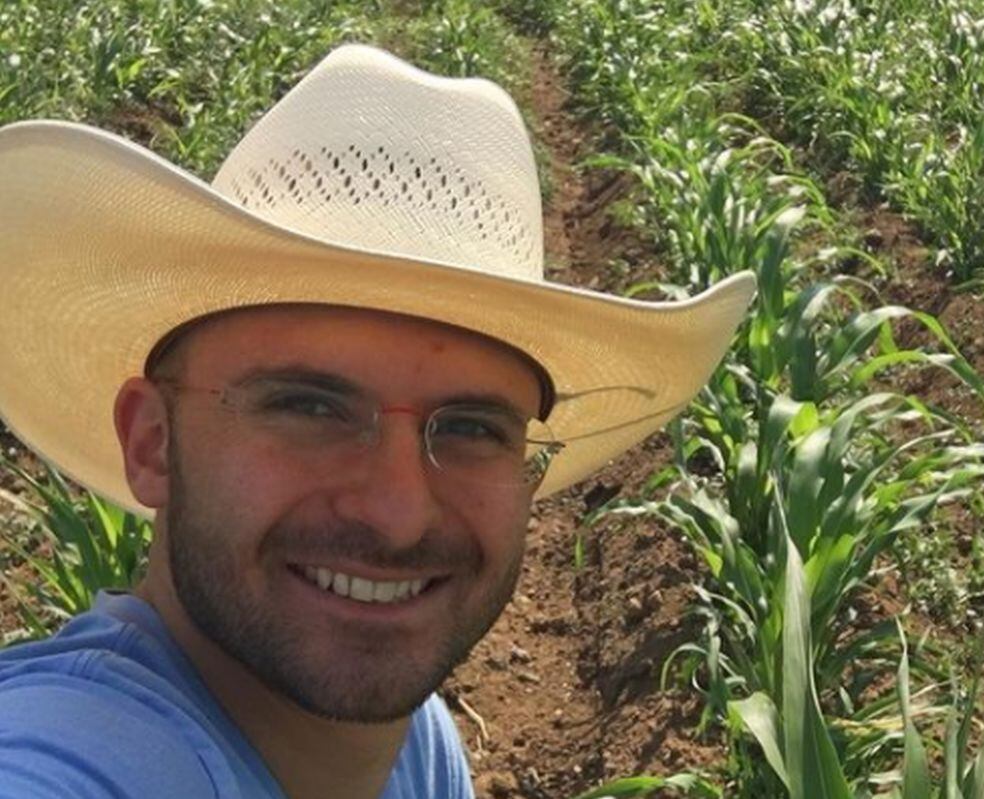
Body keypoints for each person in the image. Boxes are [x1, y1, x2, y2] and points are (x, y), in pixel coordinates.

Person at [0, 45, 754, 798]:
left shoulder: (415, 747)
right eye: (309, 407)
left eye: (471, 427)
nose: (396, 514)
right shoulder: (73, 756)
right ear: (152, 441)